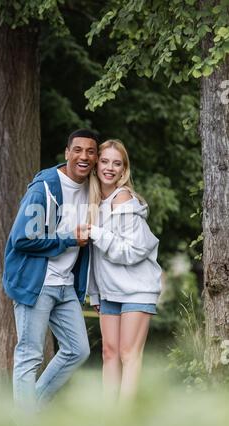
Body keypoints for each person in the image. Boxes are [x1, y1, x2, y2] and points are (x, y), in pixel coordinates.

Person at [3, 129, 99, 426]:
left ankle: (31, 412)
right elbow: (23, 239)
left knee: (77, 350)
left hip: (65, 285)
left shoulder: (92, 189)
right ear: (67, 152)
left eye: (91, 152)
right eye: (78, 150)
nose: (84, 156)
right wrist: (70, 238)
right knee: (29, 356)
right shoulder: (44, 188)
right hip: (38, 283)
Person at [88, 139, 162, 403]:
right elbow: (96, 258)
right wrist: (95, 294)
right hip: (110, 291)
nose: (109, 168)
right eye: (105, 161)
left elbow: (131, 251)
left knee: (129, 354)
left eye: (116, 163)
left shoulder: (123, 201)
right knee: (109, 353)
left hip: (136, 289)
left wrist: (95, 233)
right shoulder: (97, 202)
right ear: (96, 165)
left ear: (123, 170)